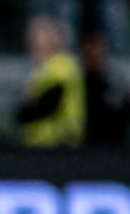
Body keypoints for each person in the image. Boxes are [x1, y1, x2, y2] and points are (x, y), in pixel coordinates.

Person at [14, 14, 85, 148]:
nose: (31, 48)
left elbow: (43, 106)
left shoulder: (60, 67)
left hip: (57, 143)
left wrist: (27, 105)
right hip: (46, 143)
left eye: (35, 42)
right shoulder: (48, 69)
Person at [78, 27, 130, 145]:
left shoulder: (115, 78)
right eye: (88, 49)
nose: (93, 53)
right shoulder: (77, 78)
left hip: (113, 141)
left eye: (96, 48)